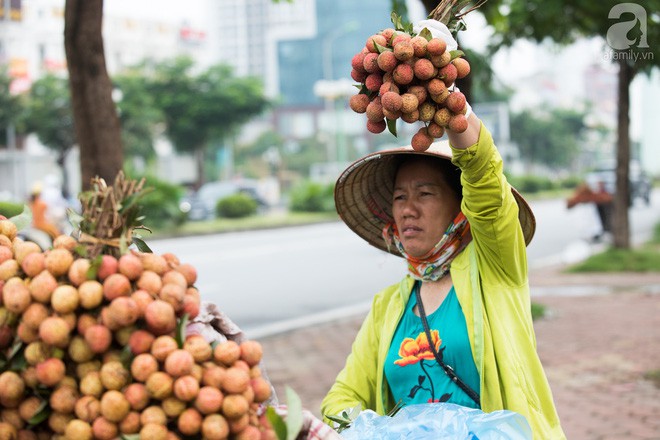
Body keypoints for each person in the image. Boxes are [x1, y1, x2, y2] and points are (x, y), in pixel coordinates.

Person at [321, 24, 565, 438]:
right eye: (399, 198)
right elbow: (339, 401)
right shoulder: (388, 308)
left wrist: (455, 112)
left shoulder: (495, 270)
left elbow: (485, 181)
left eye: (425, 193)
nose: (408, 209)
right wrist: (378, 430)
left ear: (461, 207)